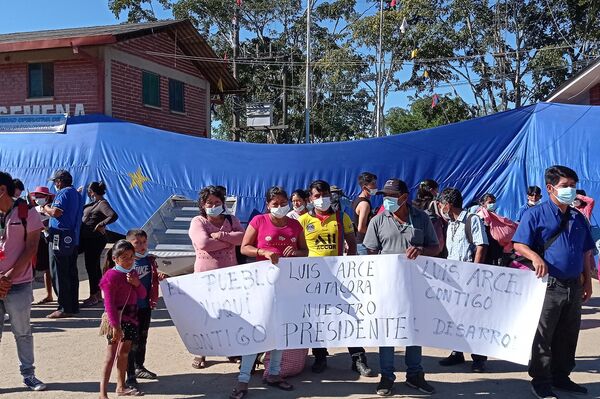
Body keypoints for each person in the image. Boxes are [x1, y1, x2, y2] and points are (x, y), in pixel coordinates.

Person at [513, 165, 594, 399]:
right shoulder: (534, 214)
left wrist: (587, 282)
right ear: (550, 188)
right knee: (544, 335)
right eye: (565, 186)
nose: (570, 190)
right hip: (548, 286)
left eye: (572, 186)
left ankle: (562, 376)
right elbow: (519, 244)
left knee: (568, 334)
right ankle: (541, 380)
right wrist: (535, 256)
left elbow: (585, 253)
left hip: (574, 285)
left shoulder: (578, 217)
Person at [363, 178, 438, 396]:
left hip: (417, 286)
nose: (387, 200)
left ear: (404, 198)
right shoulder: (377, 221)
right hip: (387, 287)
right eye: (384, 196)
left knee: (415, 330)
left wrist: (421, 251)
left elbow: (435, 247)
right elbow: (369, 252)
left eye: (391, 196)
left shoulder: (422, 218)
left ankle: (415, 374)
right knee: (388, 331)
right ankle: (387, 376)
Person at [234, 186, 307, 399]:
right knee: (257, 331)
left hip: (287, 285)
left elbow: (306, 251)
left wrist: (296, 252)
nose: (280, 207)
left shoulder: (295, 224)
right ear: (268, 205)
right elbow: (244, 247)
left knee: (280, 330)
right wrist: (262, 252)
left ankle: (274, 373)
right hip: (262, 285)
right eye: (275, 204)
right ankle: (243, 380)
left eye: (283, 203)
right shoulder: (259, 221)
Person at [298, 179, 374, 376]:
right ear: (310, 198)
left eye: (325, 195)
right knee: (317, 318)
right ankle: (320, 356)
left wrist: (349, 267)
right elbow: (299, 248)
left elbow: (352, 243)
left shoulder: (342, 218)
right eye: (317, 196)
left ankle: (358, 358)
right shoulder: (303, 220)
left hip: (339, 277)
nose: (322, 199)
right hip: (313, 279)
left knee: (348, 316)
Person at [188, 185, 245, 369]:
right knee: (204, 315)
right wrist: (229, 240)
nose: (213, 205)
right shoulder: (198, 221)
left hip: (229, 277)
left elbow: (242, 239)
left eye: (217, 202)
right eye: (209, 203)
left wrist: (220, 235)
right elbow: (203, 243)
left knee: (230, 314)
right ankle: (201, 353)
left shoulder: (231, 219)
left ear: (223, 203)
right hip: (205, 278)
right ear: (203, 205)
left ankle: (231, 350)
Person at [0, 172, 47, 391]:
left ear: (2, 190)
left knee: (22, 331)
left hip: (18, 283)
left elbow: (31, 247)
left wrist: (9, 276)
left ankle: (29, 375)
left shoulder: (26, 211)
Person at [436, 187, 489, 372]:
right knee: (455, 317)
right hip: (453, 278)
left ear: (448, 205)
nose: (440, 207)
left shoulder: (472, 219)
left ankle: (479, 358)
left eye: (441, 204)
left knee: (472, 319)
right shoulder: (451, 223)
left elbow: (481, 246)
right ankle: (456, 352)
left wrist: (473, 273)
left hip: (468, 275)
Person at [99, 240, 147, 398]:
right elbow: (109, 304)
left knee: (124, 353)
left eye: (132, 257)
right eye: (125, 257)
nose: (129, 260)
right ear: (115, 258)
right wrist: (116, 327)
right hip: (117, 321)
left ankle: (121, 387)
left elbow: (142, 295)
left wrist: (136, 283)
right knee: (110, 356)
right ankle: (103, 393)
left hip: (131, 318)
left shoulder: (132, 273)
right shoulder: (111, 276)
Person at [125, 229, 166, 390]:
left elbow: (151, 278)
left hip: (145, 306)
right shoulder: (127, 262)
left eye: (144, 242)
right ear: (129, 244)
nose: (142, 246)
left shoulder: (149, 260)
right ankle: (129, 376)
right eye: (137, 243)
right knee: (130, 342)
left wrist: (159, 275)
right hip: (130, 308)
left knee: (142, 338)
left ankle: (139, 366)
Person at [42, 169, 84, 318]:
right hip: (72, 237)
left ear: (59, 182)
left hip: (60, 236)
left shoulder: (64, 193)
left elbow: (56, 212)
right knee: (71, 272)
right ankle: (72, 306)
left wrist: (44, 207)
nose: (55, 184)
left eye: (55, 182)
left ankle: (64, 307)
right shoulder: (76, 194)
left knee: (59, 272)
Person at [80, 181, 118, 307]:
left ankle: (93, 295)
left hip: (95, 240)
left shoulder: (102, 204)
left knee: (92, 267)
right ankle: (97, 294)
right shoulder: (94, 204)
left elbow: (112, 215)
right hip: (89, 239)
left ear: (92, 192)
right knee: (93, 267)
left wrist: (100, 224)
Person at [30, 186, 54, 305]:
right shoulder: (33, 210)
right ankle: (45, 295)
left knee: (49, 269)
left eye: (41, 196)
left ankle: (51, 294)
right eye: (37, 196)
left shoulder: (51, 209)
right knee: (35, 268)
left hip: (49, 240)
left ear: (47, 197)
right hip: (37, 240)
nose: (38, 199)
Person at [412, 179, 446, 257]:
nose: (437, 193)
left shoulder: (414, 204)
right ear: (431, 190)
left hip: (418, 241)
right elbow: (445, 219)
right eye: (437, 190)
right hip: (434, 241)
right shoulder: (434, 204)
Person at [351, 172, 377, 255]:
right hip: (364, 245)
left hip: (361, 243)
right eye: (373, 184)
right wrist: (376, 235)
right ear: (365, 187)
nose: (375, 187)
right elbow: (361, 228)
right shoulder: (364, 204)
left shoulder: (357, 199)